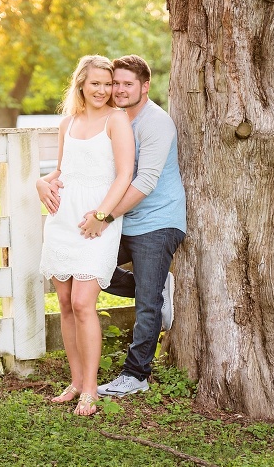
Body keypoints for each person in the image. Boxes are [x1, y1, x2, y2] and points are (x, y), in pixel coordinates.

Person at [78, 54, 187, 397]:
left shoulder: (156, 122)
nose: (119, 90)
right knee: (91, 266)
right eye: (116, 84)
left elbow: (146, 181)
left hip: (158, 221)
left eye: (128, 84)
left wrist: (103, 217)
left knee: (146, 305)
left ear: (144, 86)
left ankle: (136, 375)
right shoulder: (115, 118)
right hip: (124, 218)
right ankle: (153, 288)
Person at [37, 55, 135, 416]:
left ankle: (91, 391)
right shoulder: (69, 123)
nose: (103, 90)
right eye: (96, 83)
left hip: (97, 221)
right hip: (63, 221)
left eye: (108, 84)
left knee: (83, 303)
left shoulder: (117, 120)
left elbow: (124, 175)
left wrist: (101, 215)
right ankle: (76, 381)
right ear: (81, 83)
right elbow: (61, 170)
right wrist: (39, 182)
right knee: (64, 303)